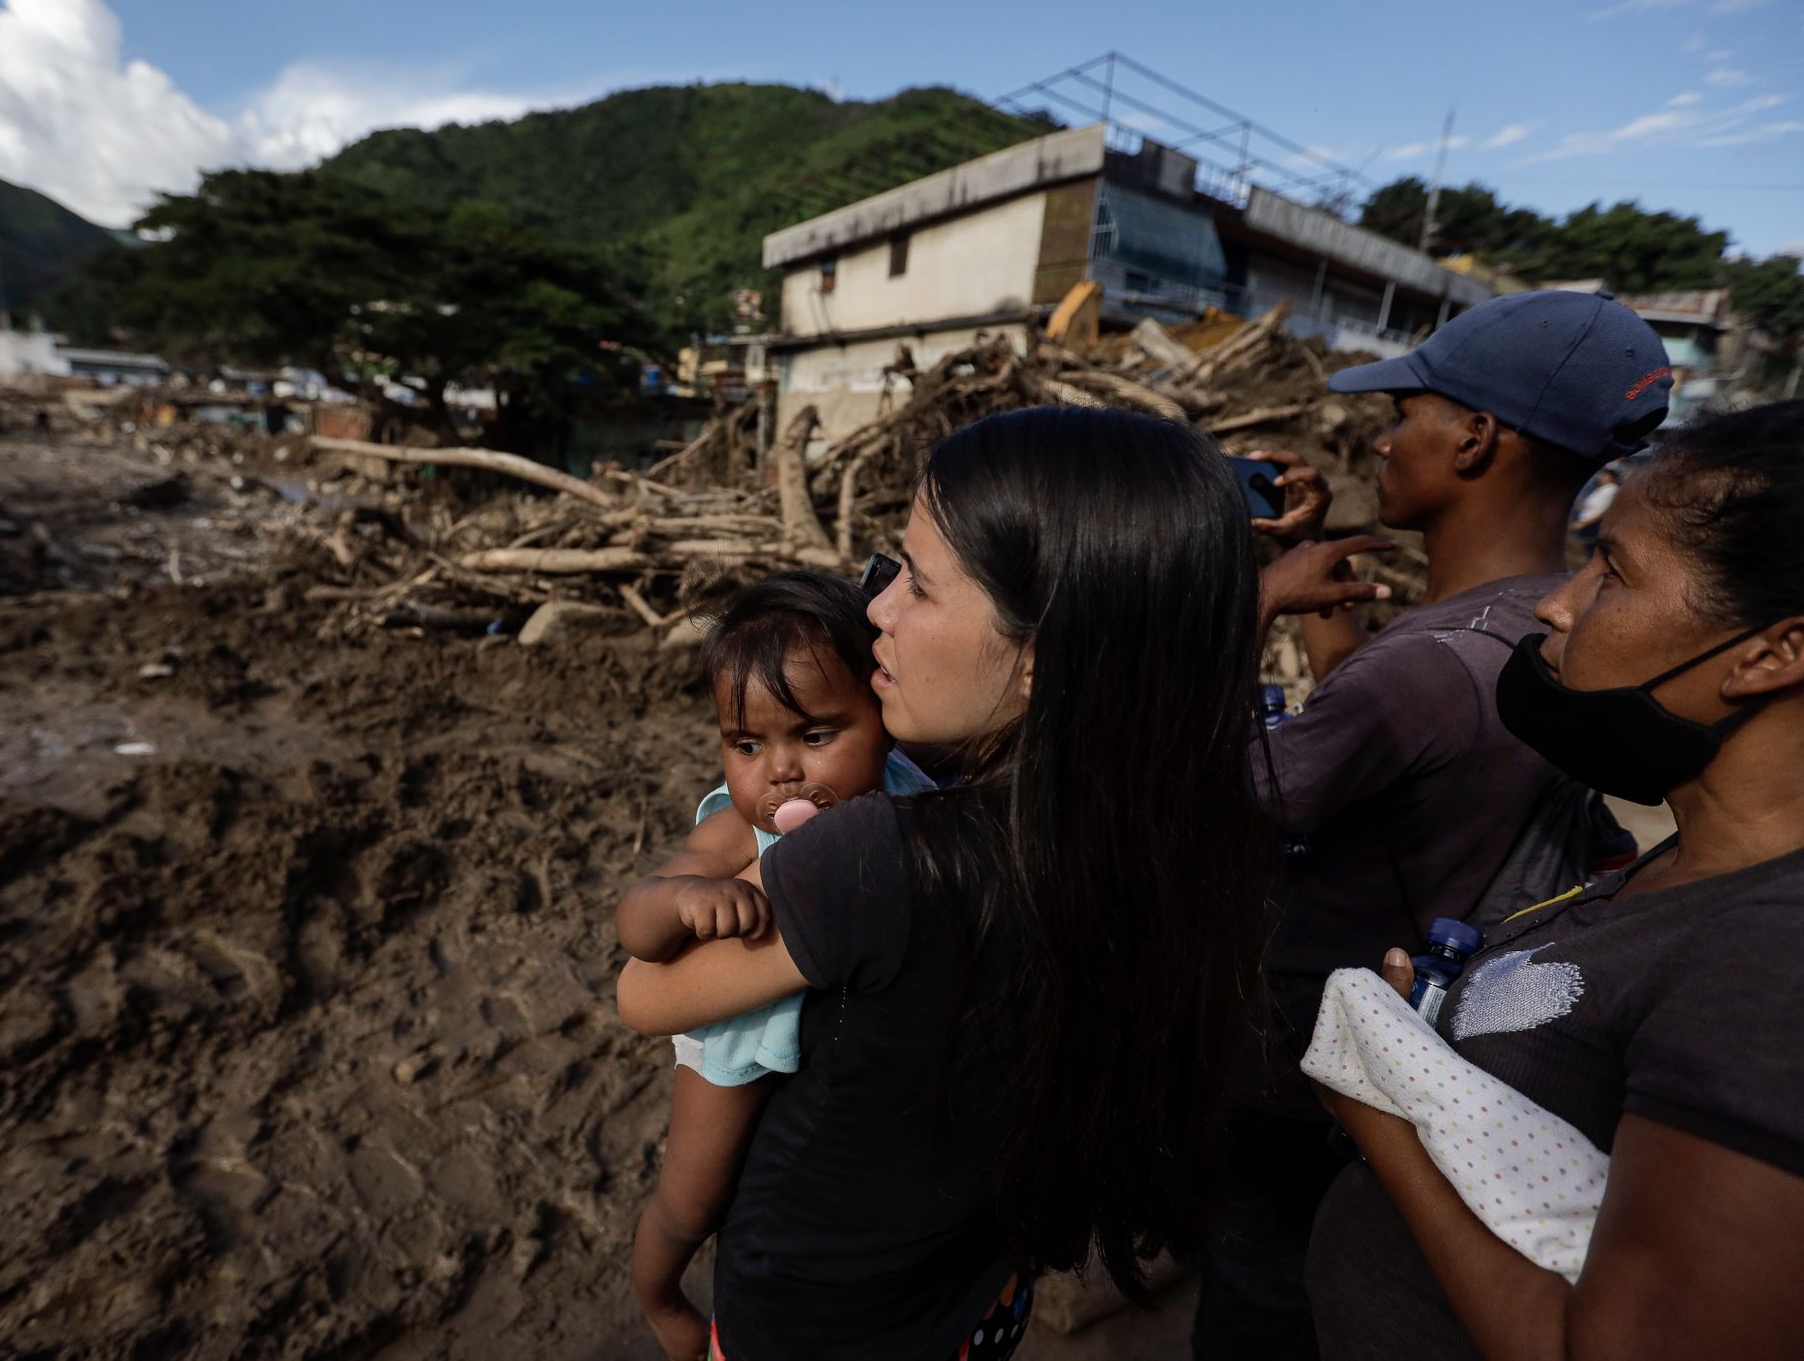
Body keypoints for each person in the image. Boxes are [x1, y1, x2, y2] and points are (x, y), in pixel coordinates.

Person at [617, 407, 1272, 1359]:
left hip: (816, 1321)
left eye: (917, 584)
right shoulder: (1165, 837)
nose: (875, 608)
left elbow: (644, 993)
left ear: (1044, 654)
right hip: (974, 1301)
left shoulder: (881, 858)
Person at [1194, 290, 1673, 1360]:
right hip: (1423, 1040)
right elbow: (1391, 751)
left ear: (1472, 437)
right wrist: (1319, 582)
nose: (1378, 434)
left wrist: (1247, 602)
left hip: (1303, 1064)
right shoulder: (1552, 620)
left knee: (1260, 1314)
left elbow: (1217, 792)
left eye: (1403, 409)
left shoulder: (1425, 663)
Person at [1306, 399, 1804, 1358]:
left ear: (1773, 652)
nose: (1557, 603)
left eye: (1612, 570)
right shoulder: (1691, 850)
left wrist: (1383, 1113)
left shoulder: (1771, 966)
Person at [615, 571, 933, 1359]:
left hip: (827, 1058)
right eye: (746, 745)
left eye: (814, 736)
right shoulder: (734, 830)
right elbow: (636, 919)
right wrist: (687, 899)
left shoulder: (906, 793)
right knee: (694, 1197)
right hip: (736, 1041)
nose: (780, 772)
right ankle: (658, 1295)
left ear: (881, 718)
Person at [1568, 465, 1620, 548]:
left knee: (1589, 550)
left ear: (1612, 477)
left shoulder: (1612, 489)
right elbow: (1589, 506)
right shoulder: (1601, 489)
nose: (1601, 477)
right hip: (1585, 522)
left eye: (1604, 475)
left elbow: (1604, 511)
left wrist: (1584, 523)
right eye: (1601, 475)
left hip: (1592, 525)